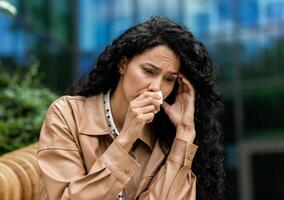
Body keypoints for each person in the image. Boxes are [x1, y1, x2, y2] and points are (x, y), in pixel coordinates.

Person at [38, 16, 225, 200]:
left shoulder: (165, 139)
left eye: (169, 79)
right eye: (149, 71)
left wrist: (184, 133)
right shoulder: (67, 114)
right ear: (123, 65)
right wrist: (126, 137)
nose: (156, 86)